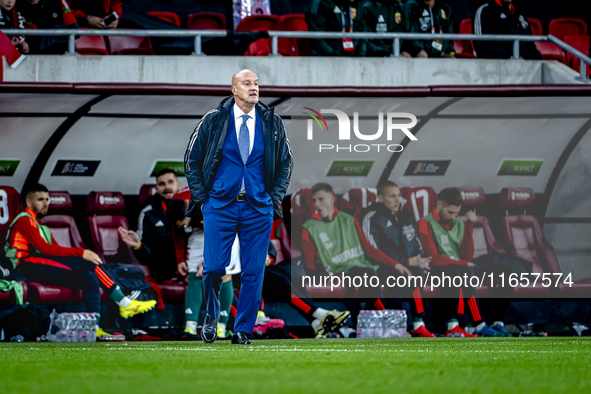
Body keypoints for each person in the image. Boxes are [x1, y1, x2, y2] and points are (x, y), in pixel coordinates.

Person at [184, 69, 292, 345]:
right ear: (233, 89)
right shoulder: (213, 119)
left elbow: (285, 164)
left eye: (256, 83)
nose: (253, 88)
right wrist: (203, 199)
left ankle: (243, 329)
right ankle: (210, 314)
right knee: (213, 268)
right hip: (219, 205)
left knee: (255, 271)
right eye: (247, 83)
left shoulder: (272, 122)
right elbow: (191, 160)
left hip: (258, 208)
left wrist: (274, 199)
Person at [4, 183, 156, 337]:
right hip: (24, 266)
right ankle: (124, 302)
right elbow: (45, 249)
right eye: (40, 199)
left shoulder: (39, 224)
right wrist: (82, 253)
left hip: (39, 265)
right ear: (29, 202)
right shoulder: (24, 219)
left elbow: (55, 251)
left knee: (89, 278)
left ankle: (93, 329)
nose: (46, 203)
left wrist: (80, 255)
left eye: (47, 199)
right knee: (89, 262)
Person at [301, 183, 429, 333]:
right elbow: (309, 262)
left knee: (402, 275)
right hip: (339, 270)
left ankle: (415, 324)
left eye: (321, 199)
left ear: (332, 198)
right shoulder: (309, 227)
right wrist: (316, 275)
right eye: (314, 201)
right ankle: (386, 324)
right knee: (367, 273)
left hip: (362, 265)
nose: (317, 204)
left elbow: (368, 249)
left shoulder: (349, 219)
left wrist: (396, 264)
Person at [417, 188, 516, 337]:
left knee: (506, 272)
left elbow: (467, 256)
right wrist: (463, 264)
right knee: (462, 271)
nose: (453, 217)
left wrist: (470, 225)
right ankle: (479, 325)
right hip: (437, 270)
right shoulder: (425, 223)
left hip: (461, 266)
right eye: (450, 212)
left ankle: (497, 323)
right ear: (439, 204)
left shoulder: (458, 224)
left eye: (456, 213)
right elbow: (433, 258)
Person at [360, 181, 435, 337]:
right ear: (380, 198)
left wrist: (419, 259)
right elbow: (373, 251)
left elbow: (414, 242)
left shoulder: (404, 215)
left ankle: (419, 323)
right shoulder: (371, 218)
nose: (397, 200)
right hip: (378, 266)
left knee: (418, 272)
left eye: (399, 196)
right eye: (392, 196)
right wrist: (405, 262)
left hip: (403, 264)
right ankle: (389, 321)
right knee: (402, 276)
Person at [168, 190, 237, 341]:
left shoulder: (206, 204)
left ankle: (221, 328)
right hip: (200, 232)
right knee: (194, 273)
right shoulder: (176, 205)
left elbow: (220, 235)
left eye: (183, 222)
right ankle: (190, 327)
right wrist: (180, 259)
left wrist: (206, 263)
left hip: (226, 229)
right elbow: (178, 232)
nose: (181, 226)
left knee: (223, 273)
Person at [118, 167, 181, 283]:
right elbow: (146, 255)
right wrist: (138, 245)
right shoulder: (148, 213)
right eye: (162, 184)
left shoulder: (191, 209)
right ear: (156, 188)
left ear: (179, 185)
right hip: (164, 273)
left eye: (170, 182)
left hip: (192, 269)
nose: (167, 187)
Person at [473, 0, 542, 60]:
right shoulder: (485, 11)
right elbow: (482, 48)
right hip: (499, 69)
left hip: (529, 69)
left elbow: (531, 45)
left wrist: (537, 58)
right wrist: (510, 55)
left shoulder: (519, 14)